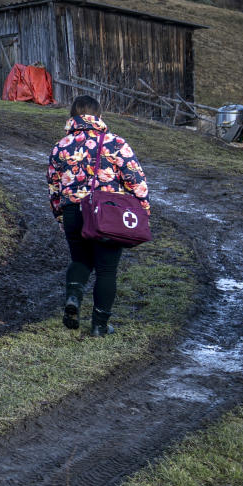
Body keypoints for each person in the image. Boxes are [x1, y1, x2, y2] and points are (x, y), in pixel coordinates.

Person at [46, 95, 150, 336]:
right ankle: (99, 326)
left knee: (80, 260)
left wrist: (61, 216)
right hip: (107, 213)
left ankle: (73, 296)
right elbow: (137, 182)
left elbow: (53, 186)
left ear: (72, 116)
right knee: (106, 270)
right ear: (99, 116)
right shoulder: (115, 143)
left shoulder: (60, 146)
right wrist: (143, 211)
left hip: (73, 211)